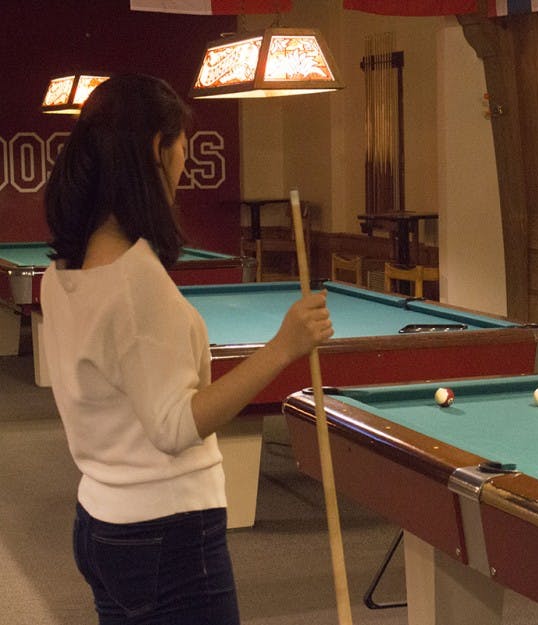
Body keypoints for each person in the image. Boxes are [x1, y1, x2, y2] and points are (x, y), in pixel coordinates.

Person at [41, 73, 333, 625]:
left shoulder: (61, 275)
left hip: (101, 523)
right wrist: (283, 347)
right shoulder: (135, 283)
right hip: (165, 533)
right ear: (157, 147)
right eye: (181, 147)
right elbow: (175, 427)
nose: (183, 164)